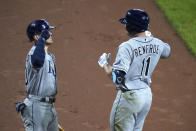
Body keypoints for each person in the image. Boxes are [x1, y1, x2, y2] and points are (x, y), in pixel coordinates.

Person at [98, 9, 171, 131]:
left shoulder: (127, 46)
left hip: (130, 97)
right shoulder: (157, 43)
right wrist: (152, 37)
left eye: (126, 23)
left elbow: (118, 78)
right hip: (146, 96)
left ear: (131, 26)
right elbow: (167, 52)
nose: (125, 25)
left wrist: (105, 64)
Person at [16, 19, 59, 131]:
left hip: (49, 107)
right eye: (46, 32)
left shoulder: (50, 56)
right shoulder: (33, 53)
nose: (50, 33)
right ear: (37, 37)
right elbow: (37, 61)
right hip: (37, 106)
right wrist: (42, 40)